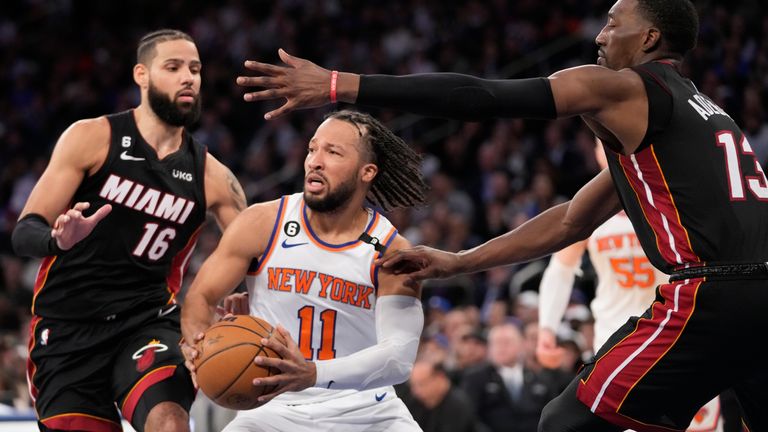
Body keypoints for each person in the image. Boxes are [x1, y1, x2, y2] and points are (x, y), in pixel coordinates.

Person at [236, 0, 768, 430]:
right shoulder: (703, 117)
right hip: (756, 297)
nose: (600, 37)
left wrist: (340, 86)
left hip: (712, 292)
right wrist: (457, 262)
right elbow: (569, 222)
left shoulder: (626, 86)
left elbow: (483, 95)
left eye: (612, 23)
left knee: (565, 422)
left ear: (649, 40)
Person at [11, 29, 247, 432]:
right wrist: (58, 240)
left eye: (195, 69)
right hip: (67, 327)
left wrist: (245, 296)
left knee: (169, 421)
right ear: (142, 75)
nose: (188, 77)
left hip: (147, 321)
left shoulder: (213, 177)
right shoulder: (91, 138)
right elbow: (24, 232)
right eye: (172, 67)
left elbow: (259, 249)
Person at [180, 110, 429, 431]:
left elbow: (399, 358)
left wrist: (313, 373)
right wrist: (199, 344)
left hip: (366, 409)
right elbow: (200, 297)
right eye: (312, 149)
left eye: (333, 152)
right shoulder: (262, 222)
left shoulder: (393, 251)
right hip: (274, 407)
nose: (315, 161)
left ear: (366, 172)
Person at [536, 138, 724, 432]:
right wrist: (546, 326)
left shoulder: (671, 194)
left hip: (678, 331)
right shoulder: (591, 204)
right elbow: (561, 266)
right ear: (596, 151)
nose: (611, 149)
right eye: (602, 143)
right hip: (618, 338)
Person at [462, 323, 566, 432]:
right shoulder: (475, 378)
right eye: (496, 342)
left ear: (521, 345)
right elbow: (470, 417)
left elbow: (552, 415)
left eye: (507, 342)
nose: (501, 347)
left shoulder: (540, 379)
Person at [407, 360, 477, 432]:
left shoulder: (459, 406)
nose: (415, 391)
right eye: (413, 385)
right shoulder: (415, 402)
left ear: (440, 377)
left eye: (421, 384)